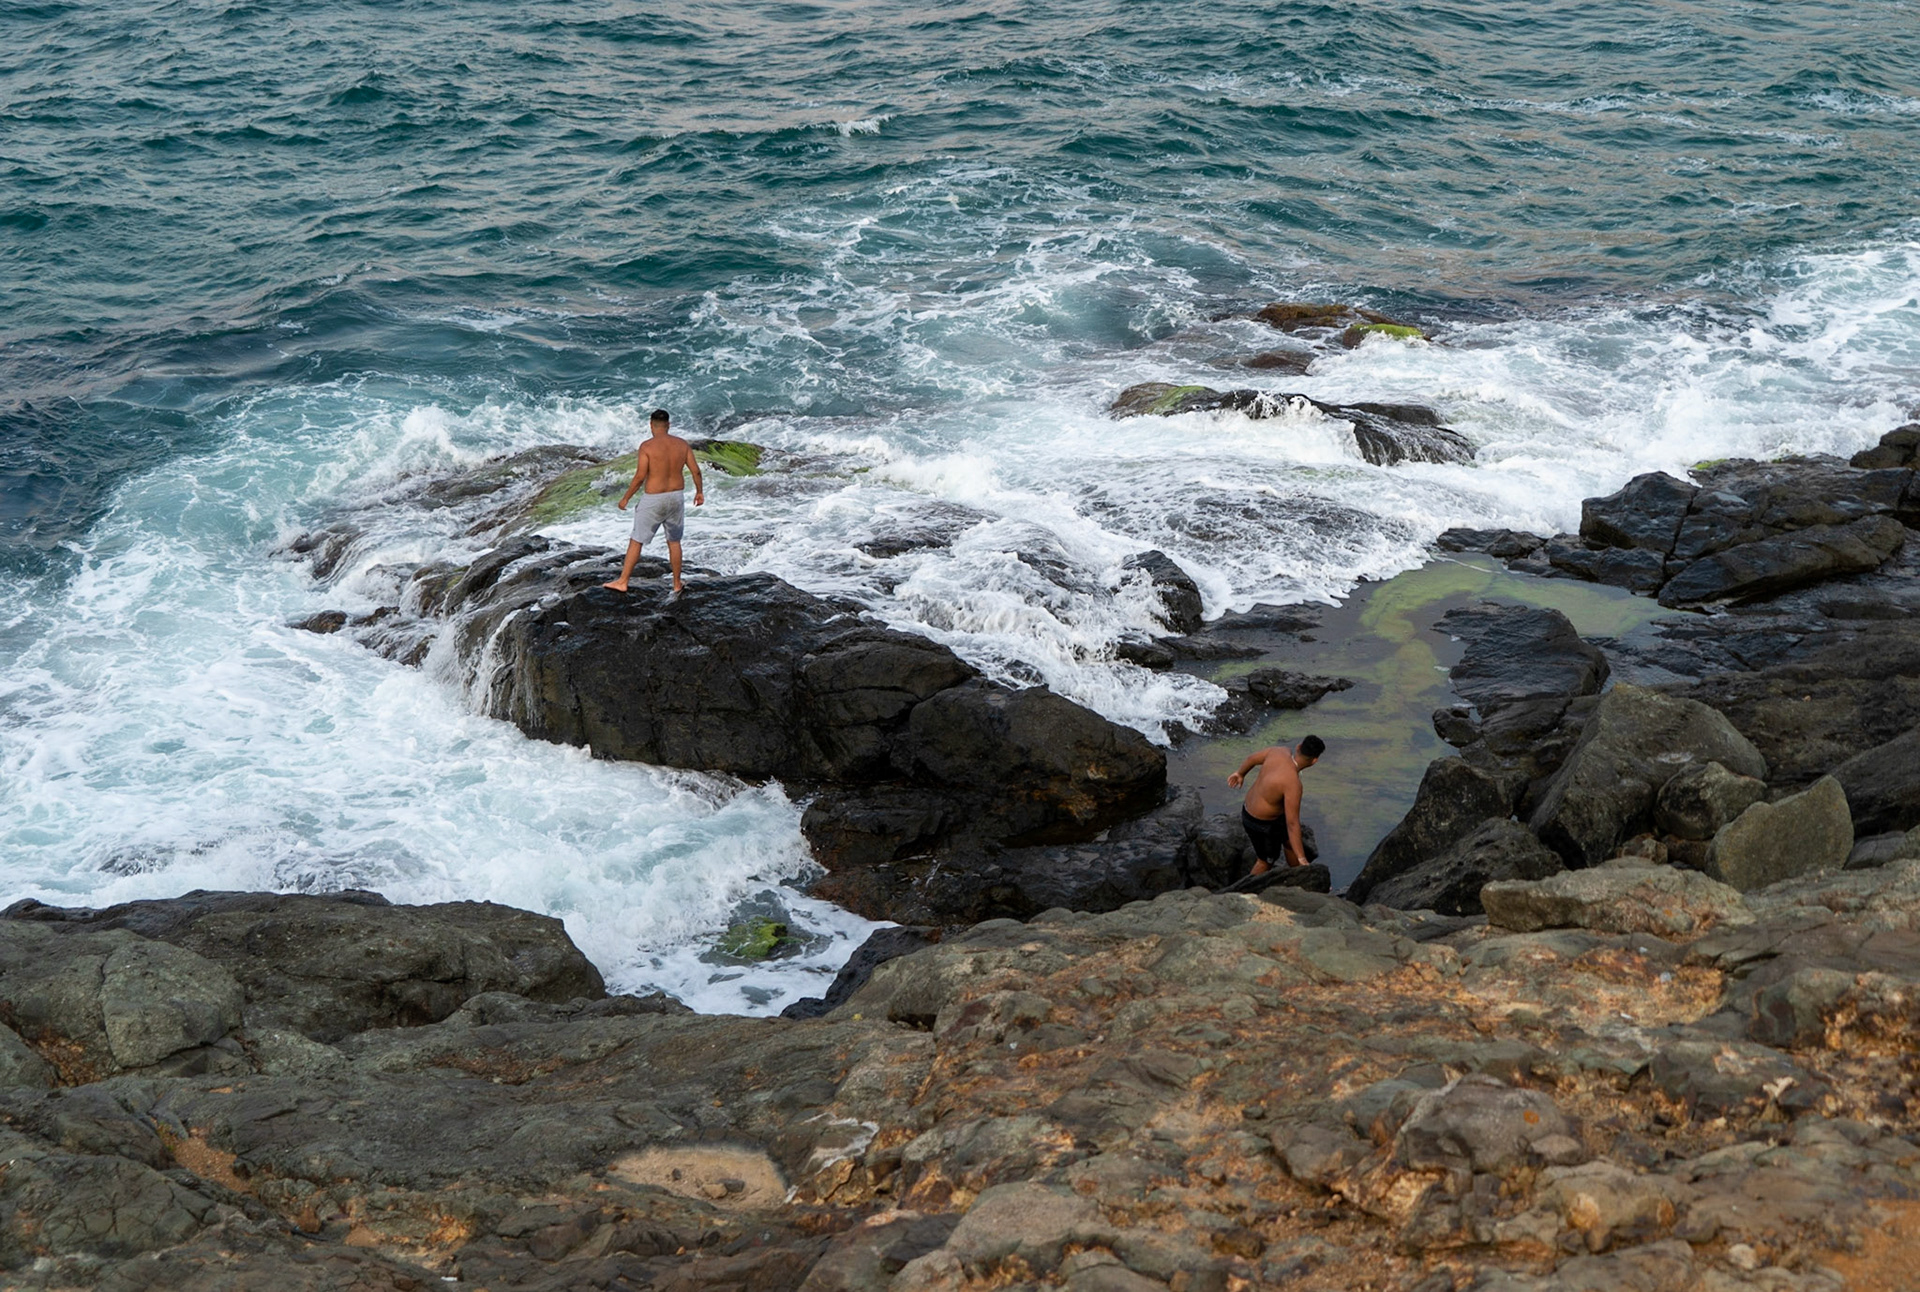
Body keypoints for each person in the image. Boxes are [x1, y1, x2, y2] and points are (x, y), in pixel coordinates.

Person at [603, 408, 704, 595]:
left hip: (653, 499)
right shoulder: (682, 444)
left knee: (636, 540)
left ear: (651, 425)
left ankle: (623, 581)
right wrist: (699, 492)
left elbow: (640, 476)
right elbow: (696, 471)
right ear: (668, 425)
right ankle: (676, 583)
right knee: (674, 542)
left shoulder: (647, 446)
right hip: (676, 497)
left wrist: (626, 498)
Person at [1227, 734, 1324, 874]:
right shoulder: (1293, 784)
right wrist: (1302, 858)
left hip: (1251, 809)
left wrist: (1240, 773)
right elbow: (1292, 823)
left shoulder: (1279, 751)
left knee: (1290, 843)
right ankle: (1244, 892)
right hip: (1260, 824)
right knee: (1266, 861)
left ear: (1298, 747)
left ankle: (1297, 875)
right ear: (1314, 760)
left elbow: (1252, 759)